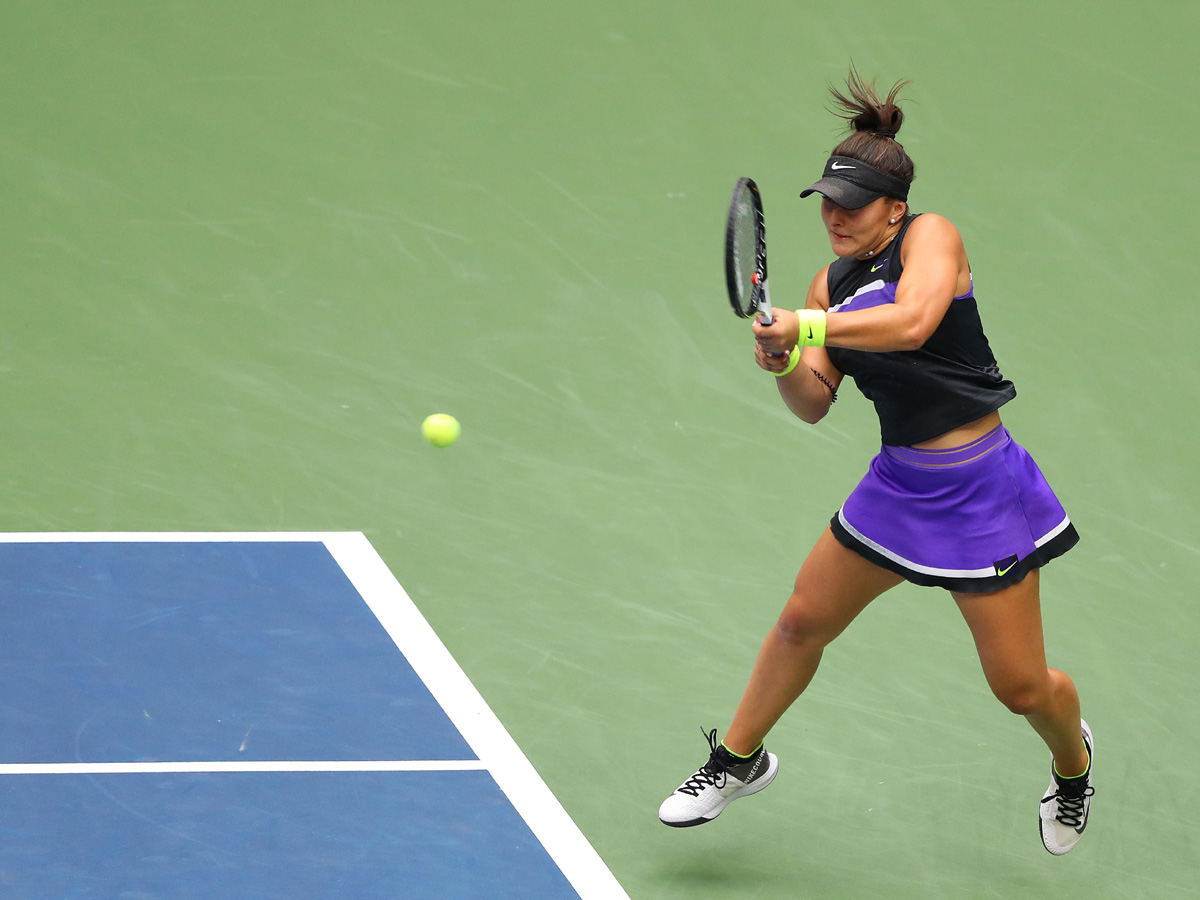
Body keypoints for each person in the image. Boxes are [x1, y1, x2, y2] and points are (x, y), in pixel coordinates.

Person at [658, 70, 1094, 856]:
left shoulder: (933, 237)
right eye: (826, 202)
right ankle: (737, 760)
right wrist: (784, 355)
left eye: (852, 205)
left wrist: (810, 327)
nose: (835, 217)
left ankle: (1073, 764)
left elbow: (914, 319)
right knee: (800, 621)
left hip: (982, 492)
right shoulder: (829, 284)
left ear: (894, 208)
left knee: (1021, 688)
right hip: (898, 487)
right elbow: (814, 402)